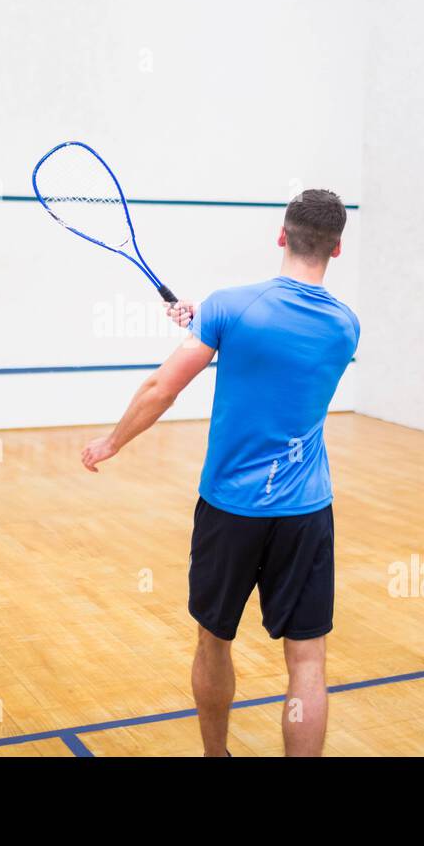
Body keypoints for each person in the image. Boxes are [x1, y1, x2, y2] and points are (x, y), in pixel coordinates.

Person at [80, 189, 360, 756]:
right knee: (308, 660)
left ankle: (216, 756)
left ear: (280, 236)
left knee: (213, 640)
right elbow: (274, 353)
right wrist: (209, 323)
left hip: (230, 510)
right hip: (306, 514)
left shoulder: (230, 307)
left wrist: (112, 441)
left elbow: (163, 386)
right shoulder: (345, 326)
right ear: (337, 247)